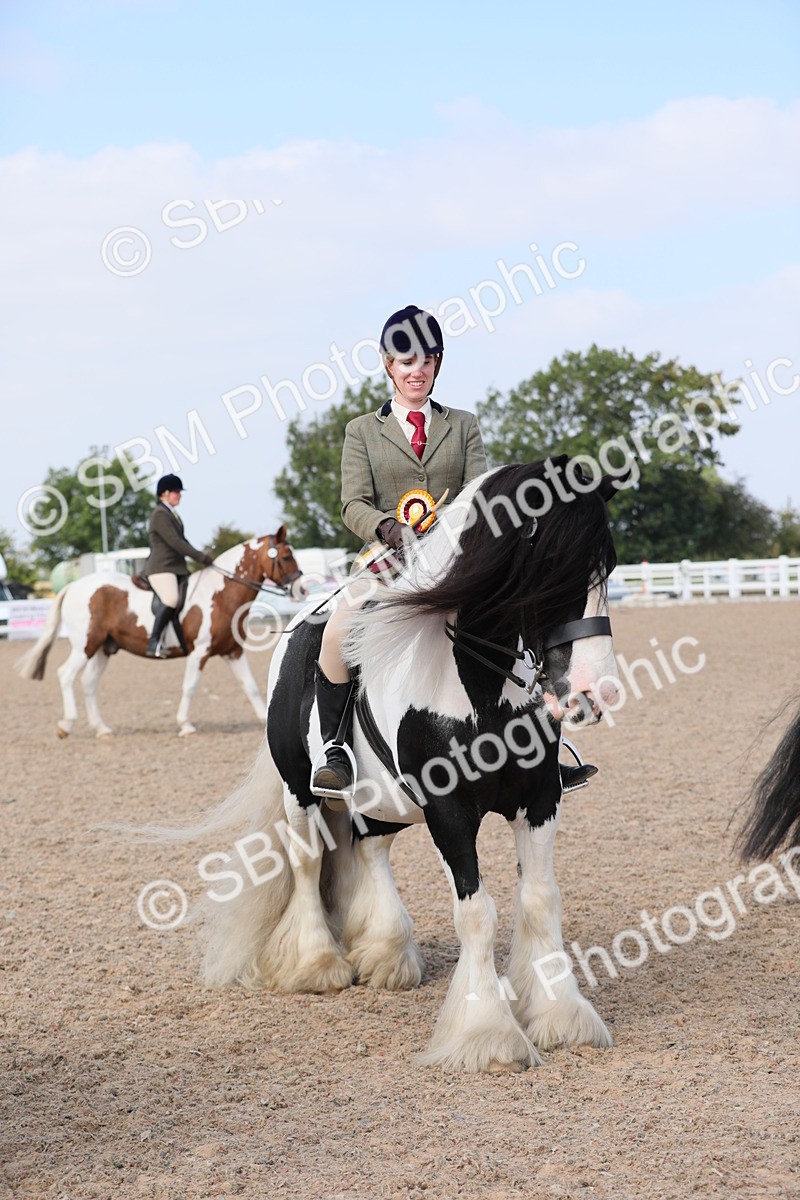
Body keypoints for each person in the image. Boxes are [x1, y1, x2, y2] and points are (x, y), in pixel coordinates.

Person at [311, 304, 596, 797]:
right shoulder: (361, 430)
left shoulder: (462, 424)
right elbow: (351, 503)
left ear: (437, 365)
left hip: (456, 560)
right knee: (338, 630)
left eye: (426, 360)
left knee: (516, 628)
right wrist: (387, 527)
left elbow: (479, 491)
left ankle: (547, 748)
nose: (415, 370)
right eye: (405, 362)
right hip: (389, 558)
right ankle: (336, 746)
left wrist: (450, 531)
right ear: (387, 364)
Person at [141, 473, 214, 658]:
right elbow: (175, 542)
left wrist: (202, 555)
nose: (179, 495)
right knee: (171, 599)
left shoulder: (173, 514)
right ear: (165, 493)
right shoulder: (159, 514)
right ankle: (154, 641)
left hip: (176, 568)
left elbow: (183, 540)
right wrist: (200, 557)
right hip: (161, 568)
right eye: (176, 492)